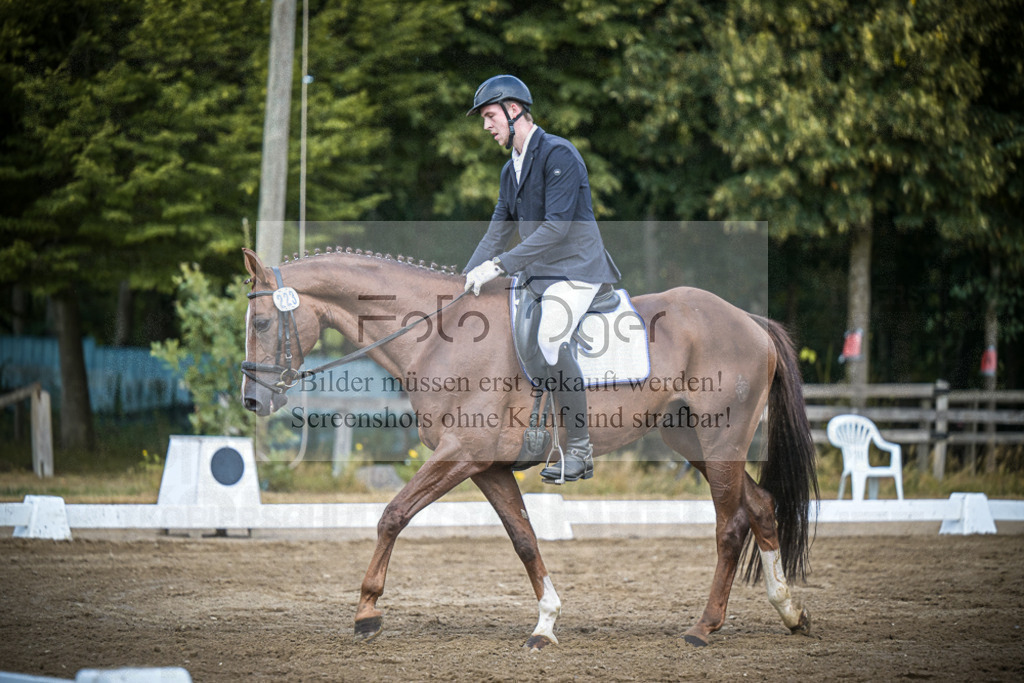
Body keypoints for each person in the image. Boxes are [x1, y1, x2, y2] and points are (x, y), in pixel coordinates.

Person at [463, 74, 621, 484]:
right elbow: (496, 233)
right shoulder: (510, 170)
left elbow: (557, 228)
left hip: (576, 268)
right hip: (539, 274)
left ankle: (580, 450)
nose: (486, 126)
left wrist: (500, 266)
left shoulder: (558, 154)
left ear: (514, 110)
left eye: (490, 116)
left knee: (551, 336)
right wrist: (462, 281)